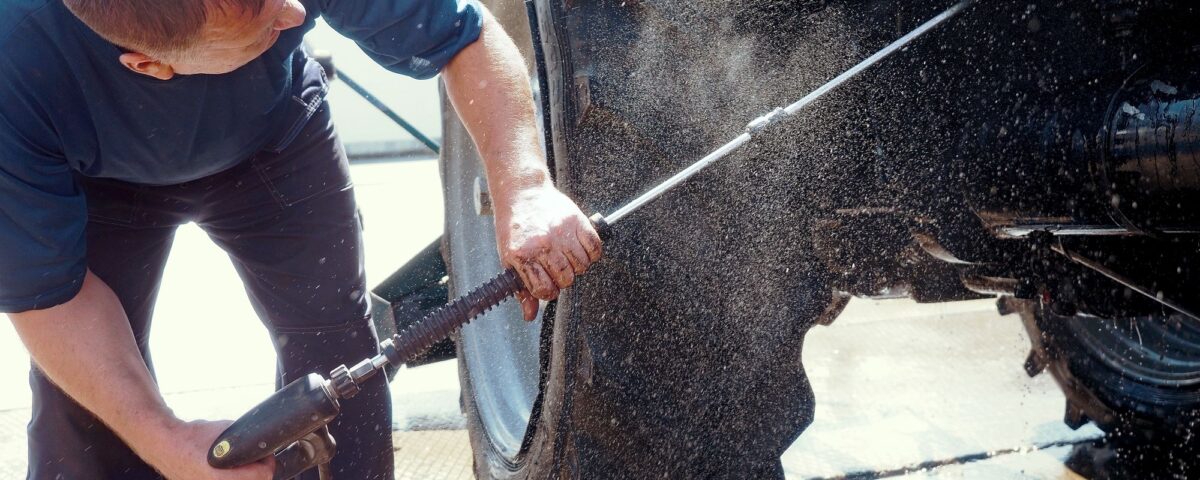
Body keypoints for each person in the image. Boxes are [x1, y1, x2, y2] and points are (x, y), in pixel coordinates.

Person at [0, 0, 602, 477]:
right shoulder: (14, 61)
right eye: (260, 21)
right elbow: (47, 297)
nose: (294, 12)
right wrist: (167, 438)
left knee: (339, 357)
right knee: (90, 408)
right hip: (95, 177)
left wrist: (523, 185)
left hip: (274, 136)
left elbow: (465, 38)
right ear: (150, 64)